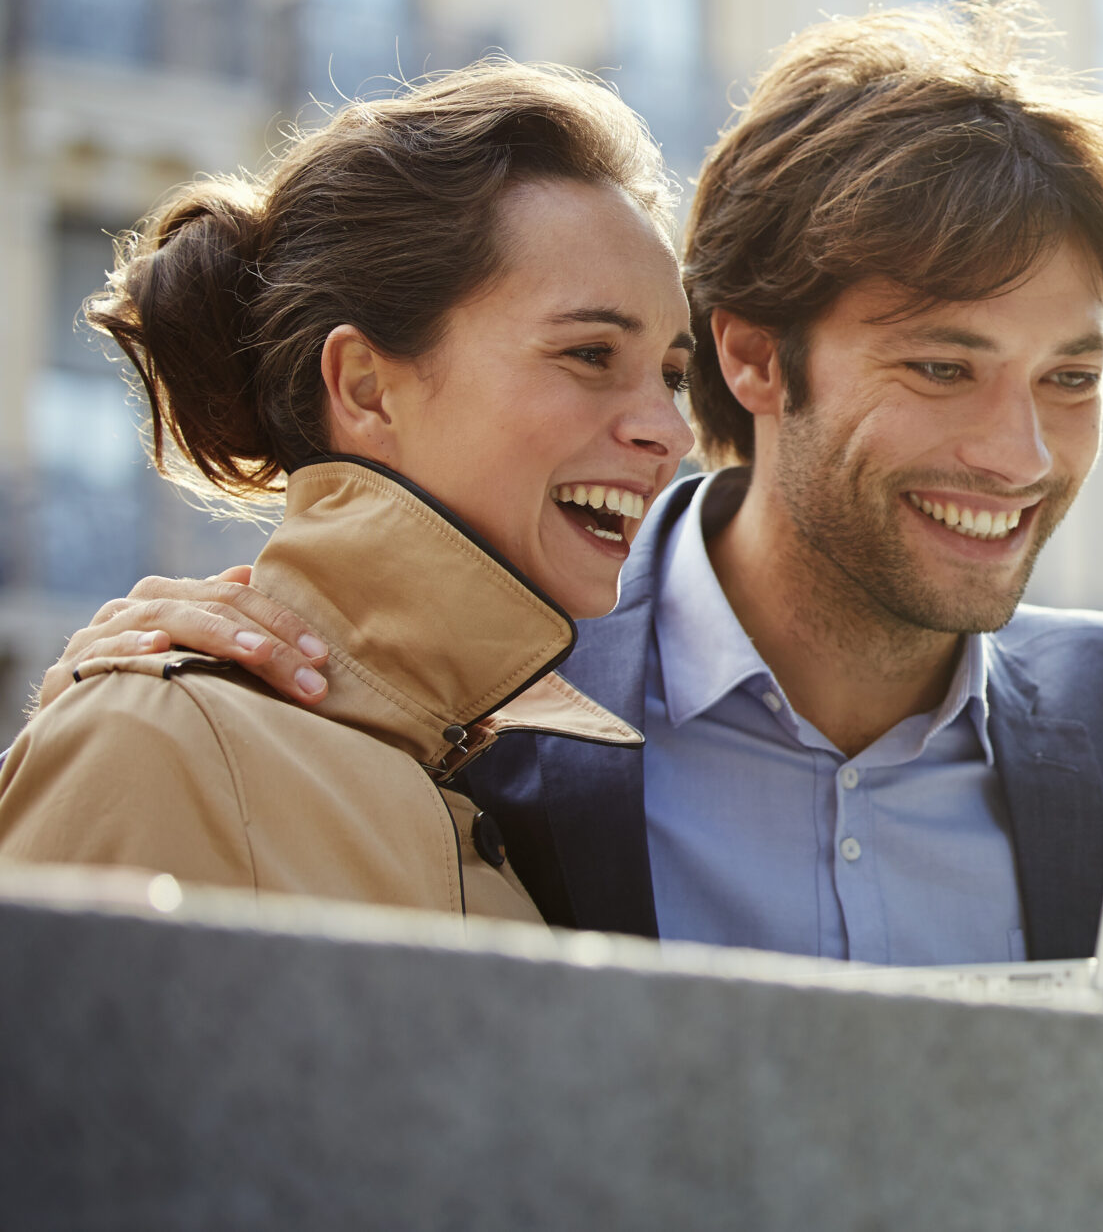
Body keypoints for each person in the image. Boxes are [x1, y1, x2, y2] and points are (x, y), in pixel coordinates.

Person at [55, 2, 1103, 962]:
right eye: (942, 367)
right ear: (753, 359)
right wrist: (134, 716)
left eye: (1070, 379)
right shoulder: (491, 728)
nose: (1021, 455)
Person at [0, 67, 697, 919]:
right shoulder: (155, 739)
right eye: (591, 354)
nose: (670, 430)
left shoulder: (514, 785)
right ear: (366, 388)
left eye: (673, 376)